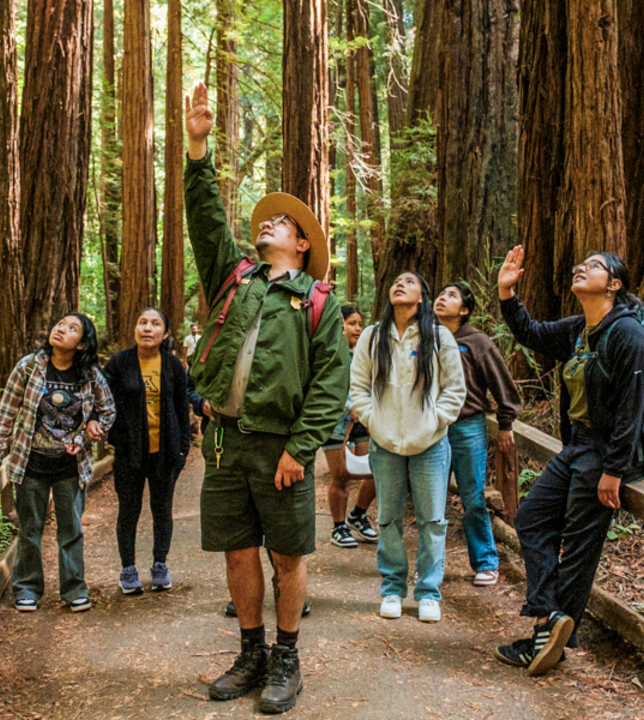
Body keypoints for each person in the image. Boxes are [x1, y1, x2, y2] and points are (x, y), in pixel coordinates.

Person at [185, 80, 349, 714]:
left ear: (301, 244)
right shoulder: (234, 278)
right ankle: (250, 653)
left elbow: (331, 381)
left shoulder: (317, 303)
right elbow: (205, 222)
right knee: (236, 550)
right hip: (225, 443)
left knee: (287, 555)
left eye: (278, 222)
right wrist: (199, 148)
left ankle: (287, 658)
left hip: (282, 447)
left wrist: (300, 450)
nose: (267, 224)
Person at [493, 246, 644, 676]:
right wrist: (508, 294)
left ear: (614, 285)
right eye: (580, 263)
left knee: (580, 550)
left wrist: (614, 470)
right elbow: (531, 333)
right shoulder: (580, 329)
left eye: (595, 266)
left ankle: (548, 638)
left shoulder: (628, 335)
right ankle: (551, 617)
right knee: (530, 518)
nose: (581, 268)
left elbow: (631, 410)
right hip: (577, 448)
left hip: (604, 455)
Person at [0, 313, 116, 613]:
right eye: (60, 324)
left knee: (71, 530)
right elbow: (7, 413)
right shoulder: (29, 366)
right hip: (31, 464)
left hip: (71, 465)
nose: (61, 329)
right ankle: (26, 589)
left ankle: (74, 589)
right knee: (30, 529)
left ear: (81, 344)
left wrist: (86, 436)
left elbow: (108, 412)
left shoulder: (91, 375)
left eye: (72, 329)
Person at [349, 272, 465, 624]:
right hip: (385, 445)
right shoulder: (373, 336)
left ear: (422, 296)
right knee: (388, 518)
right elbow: (358, 387)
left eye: (410, 282)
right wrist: (374, 422)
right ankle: (392, 588)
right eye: (396, 281)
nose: (400, 285)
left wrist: (434, 422)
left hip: (430, 445)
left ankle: (428, 592)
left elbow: (454, 389)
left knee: (432, 520)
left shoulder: (437, 336)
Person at [434, 282, 521, 587]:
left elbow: (502, 382)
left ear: (465, 310)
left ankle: (485, 561)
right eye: (441, 294)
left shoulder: (475, 341)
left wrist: (506, 423)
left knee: (472, 497)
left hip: (467, 426)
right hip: (431, 428)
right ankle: (430, 565)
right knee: (431, 499)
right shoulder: (426, 337)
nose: (443, 298)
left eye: (452, 296)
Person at [102, 308, 192, 594]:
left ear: (164, 333)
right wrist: (112, 436)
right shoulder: (120, 363)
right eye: (142, 323)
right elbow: (103, 400)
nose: (147, 329)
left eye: (155, 324)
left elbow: (181, 407)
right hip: (129, 453)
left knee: (162, 509)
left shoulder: (173, 365)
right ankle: (128, 569)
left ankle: (160, 564)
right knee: (129, 510)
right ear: (135, 329)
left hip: (164, 453)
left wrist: (183, 449)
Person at [323, 305, 378, 549]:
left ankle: (358, 515)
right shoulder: (332, 353)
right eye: (352, 323)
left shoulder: (365, 353)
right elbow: (327, 388)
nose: (357, 328)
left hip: (364, 423)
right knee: (342, 476)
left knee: (375, 470)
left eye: (360, 324)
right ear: (340, 325)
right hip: (336, 423)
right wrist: (350, 408)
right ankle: (338, 526)